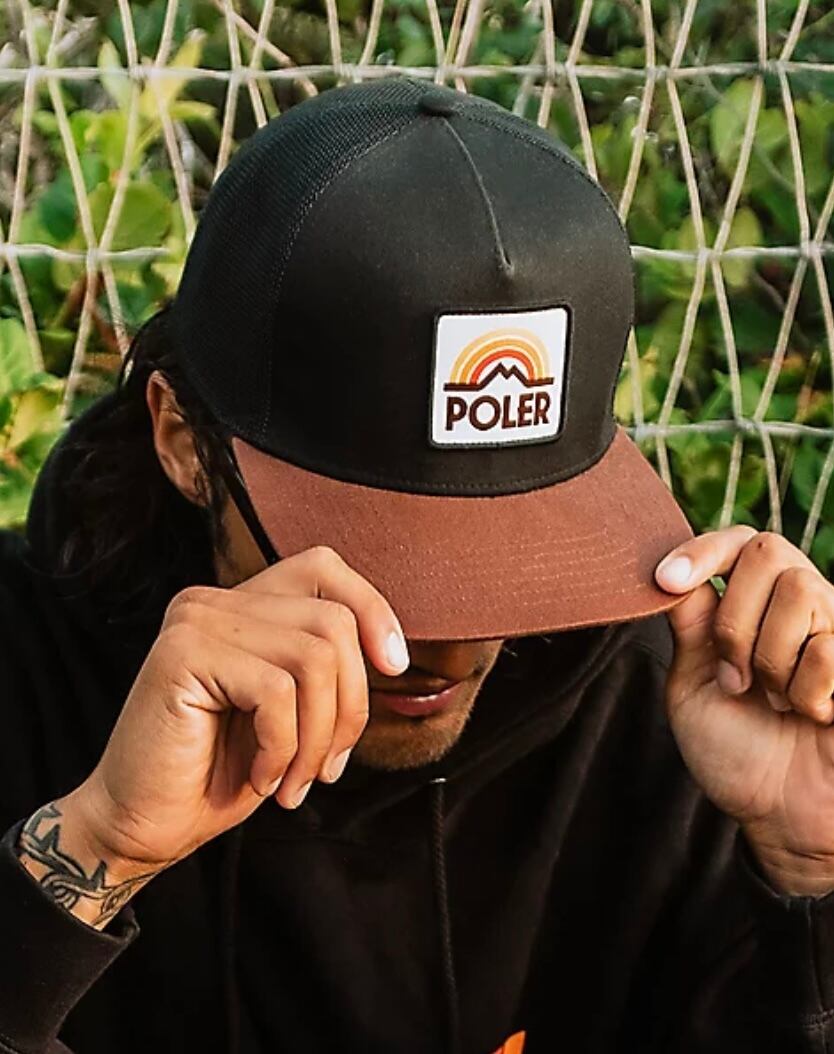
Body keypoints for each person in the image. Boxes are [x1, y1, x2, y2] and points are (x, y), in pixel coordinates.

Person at [2, 74, 834, 1054]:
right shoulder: (23, 670)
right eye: (380, 553)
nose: (443, 639)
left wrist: (810, 881)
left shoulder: (672, 710)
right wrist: (92, 850)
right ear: (184, 444)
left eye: (517, 552)